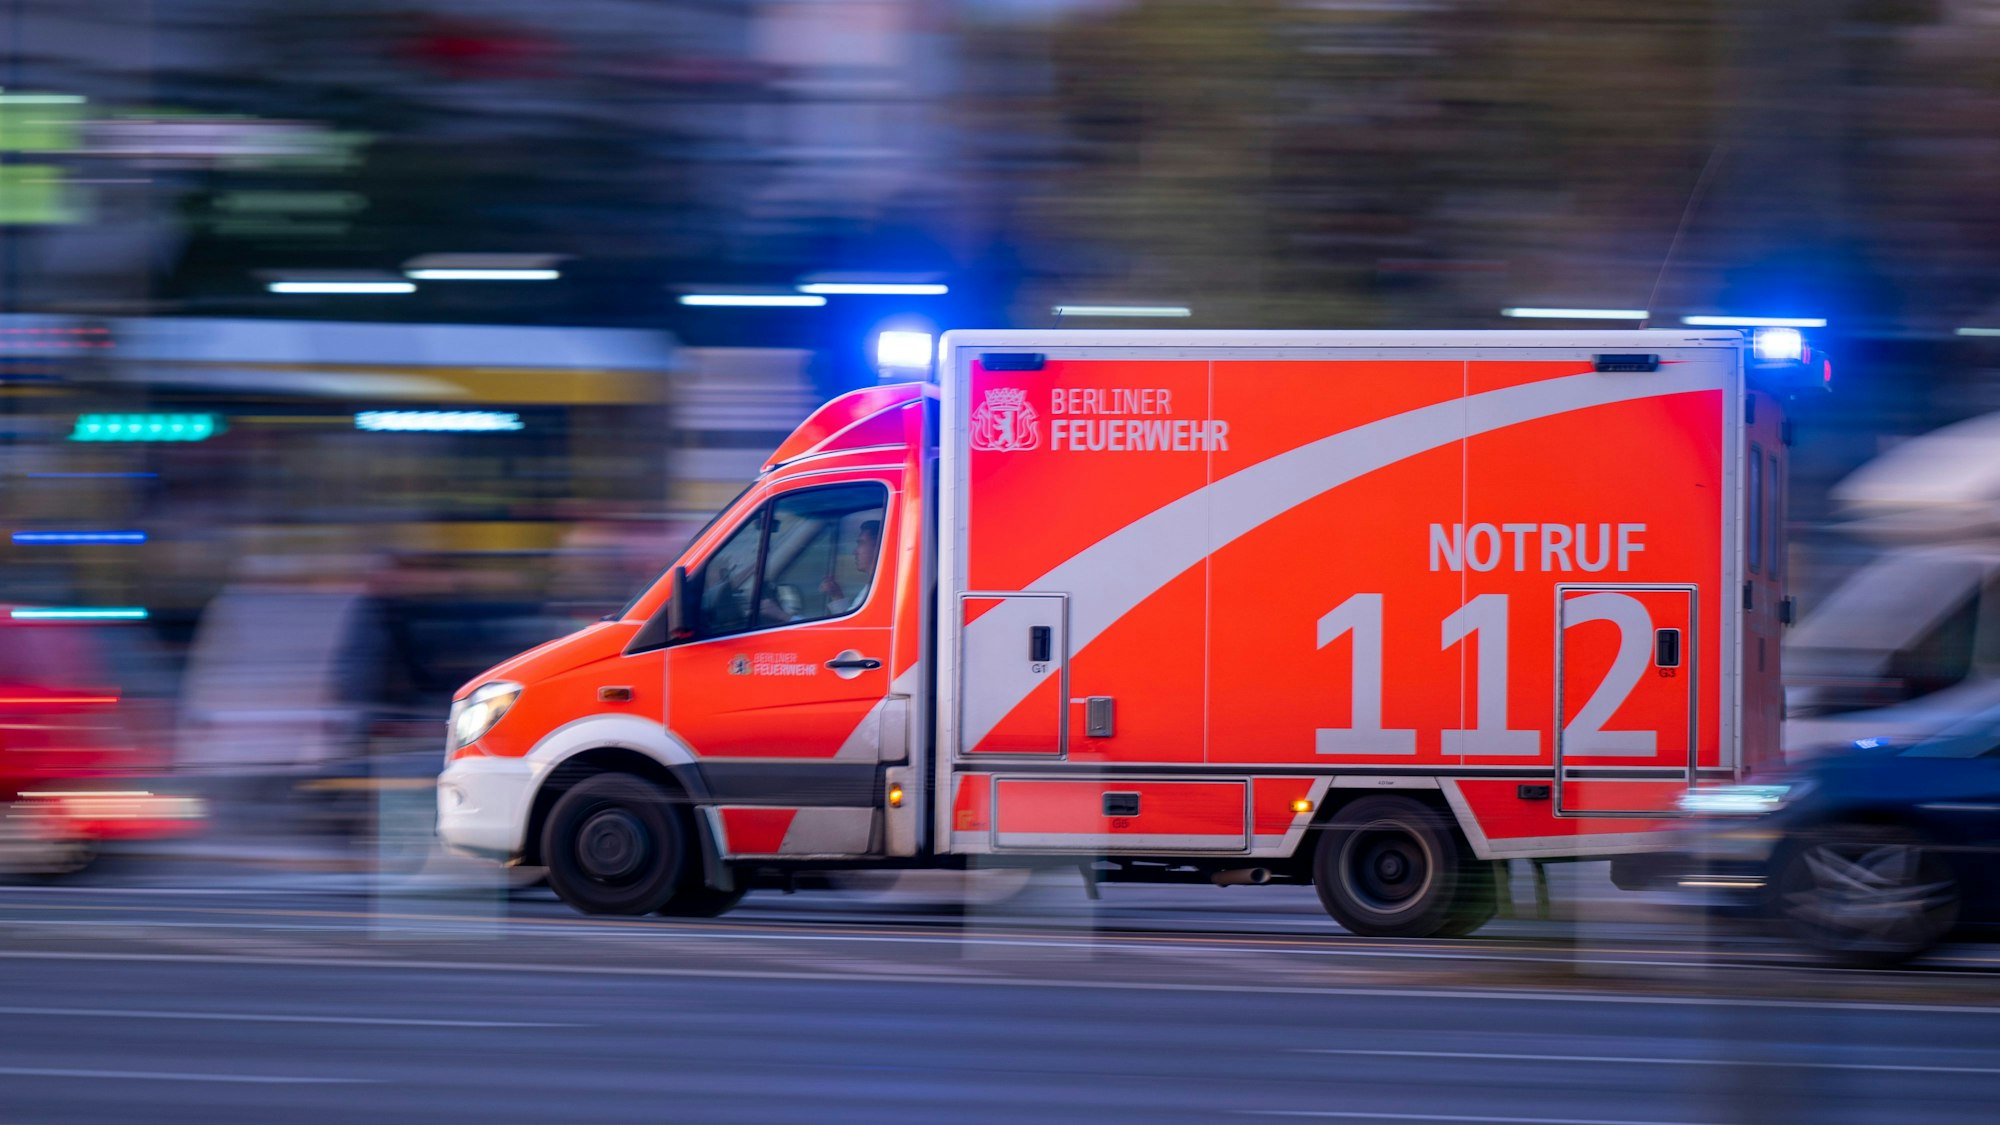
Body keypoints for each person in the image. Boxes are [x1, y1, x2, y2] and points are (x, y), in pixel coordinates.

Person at [820, 519, 880, 615]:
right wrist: (836, 595)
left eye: (861, 543)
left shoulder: (879, 591)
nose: (855, 552)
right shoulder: (874, 587)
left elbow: (855, 623)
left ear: (877, 547)